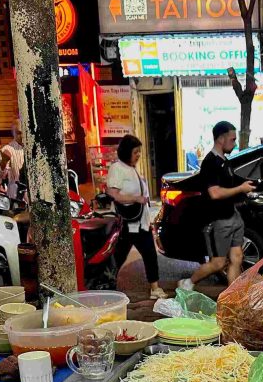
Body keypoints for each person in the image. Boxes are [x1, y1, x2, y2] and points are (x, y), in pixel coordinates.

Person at [178, 121, 255, 292]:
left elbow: (230, 185)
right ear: (221, 138)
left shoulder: (224, 161)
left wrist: (245, 191)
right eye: (232, 140)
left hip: (233, 217)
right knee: (218, 263)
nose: (234, 144)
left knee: (237, 257)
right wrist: (241, 189)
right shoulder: (210, 163)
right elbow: (215, 193)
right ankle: (188, 283)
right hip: (218, 221)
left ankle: (232, 296)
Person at [107, 134, 166, 300]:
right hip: (127, 223)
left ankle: (154, 288)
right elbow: (113, 193)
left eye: (139, 151)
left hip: (140, 222)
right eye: (136, 152)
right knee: (119, 256)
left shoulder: (131, 168)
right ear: (126, 152)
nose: (139, 155)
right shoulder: (117, 168)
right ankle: (106, 285)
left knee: (149, 254)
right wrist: (136, 199)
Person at [0, 124, 25, 200]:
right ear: (13, 133)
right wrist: (4, 161)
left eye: (24, 132)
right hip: (16, 195)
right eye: (19, 133)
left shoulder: (33, 148)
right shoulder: (7, 149)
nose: (22, 135)